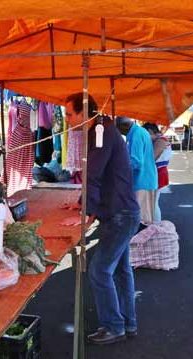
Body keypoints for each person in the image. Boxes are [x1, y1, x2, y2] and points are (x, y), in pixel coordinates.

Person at [63, 93, 140, 345]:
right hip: (121, 211)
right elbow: (97, 176)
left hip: (120, 213)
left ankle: (114, 326)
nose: (67, 119)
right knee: (120, 271)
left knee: (99, 270)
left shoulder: (100, 131)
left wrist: (85, 212)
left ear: (84, 112)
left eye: (70, 114)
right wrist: (83, 204)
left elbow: (93, 175)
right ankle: (128, 323)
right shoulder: (103, 129)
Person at [117, 117, 158, 227]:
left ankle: (141, 243)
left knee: (142, 220)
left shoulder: (136, 135)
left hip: (142, 181)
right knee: (146, 217)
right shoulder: (140, 132)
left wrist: (119, 168)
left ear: (124, 127)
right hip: (147, 179)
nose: (120, 133)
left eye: (119, 130)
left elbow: (136, 162)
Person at [144, 123, 172, 222]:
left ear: (150, 131)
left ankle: (156, 225)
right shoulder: (161, 139)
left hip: (158, 174)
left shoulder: (160, 141)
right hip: (160, 172)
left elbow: (152, 158)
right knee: (153, 202)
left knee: (153, 203)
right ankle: (155, 224)